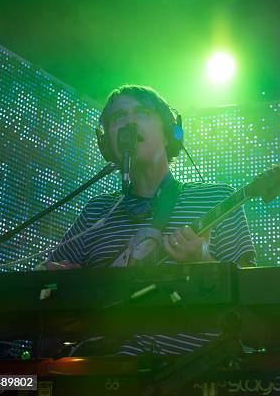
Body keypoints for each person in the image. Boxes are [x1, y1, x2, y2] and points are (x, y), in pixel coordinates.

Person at [45, 84, 256, 356]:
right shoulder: (97, 211)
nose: (129, 121)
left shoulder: (217, 199)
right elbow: (47, 282)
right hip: (100, 372)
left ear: (169, 135)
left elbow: (253, 295)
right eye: (118, 117)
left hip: (192, 372)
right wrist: (61, 282)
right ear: (107, 141)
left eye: (142, 113)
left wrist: (203, 260)